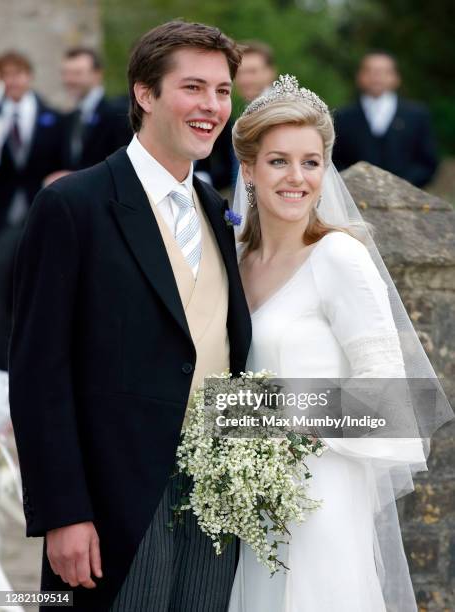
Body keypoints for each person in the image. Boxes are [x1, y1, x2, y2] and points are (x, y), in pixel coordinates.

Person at [9, 20, 250, 612]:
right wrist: (64, 513)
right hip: (111, 506)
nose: (212, 107)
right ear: (144, 94)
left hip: (216, 498)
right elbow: (40, 375)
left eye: (222, 91)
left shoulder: (216, 210)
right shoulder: (72, 205)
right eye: (193, 88)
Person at [227, 75, 452, 611]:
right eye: (279, 160)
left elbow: (394, 404)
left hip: (320, 501)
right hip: (245, 503)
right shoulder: (233, 263)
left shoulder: (338, 257)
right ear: (249, 170)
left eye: (311, 161)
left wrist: (262, 416)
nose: (297, 177)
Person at [333, 51, 438, 187]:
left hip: (406, 199)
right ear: (359, 77)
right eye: (370, 71)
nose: (376, 77)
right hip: (353, 197)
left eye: (383, 71)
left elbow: (427, 162)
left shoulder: (417, 115)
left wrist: (404, 185)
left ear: (396, 78)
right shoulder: (343, 116)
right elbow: (335, 160)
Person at [0, 51, 64, 232]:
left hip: (40, 201)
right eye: (5, 75)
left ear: (29, 76)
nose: (12, 81)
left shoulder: (54, 118)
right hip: (2, 207)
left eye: (17, 74)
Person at [60, 47, 132, 171]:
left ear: (97, 74)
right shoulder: (69, 118)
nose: (69, 80)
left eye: (77, 73)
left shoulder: (119, 114)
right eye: (66, 73)